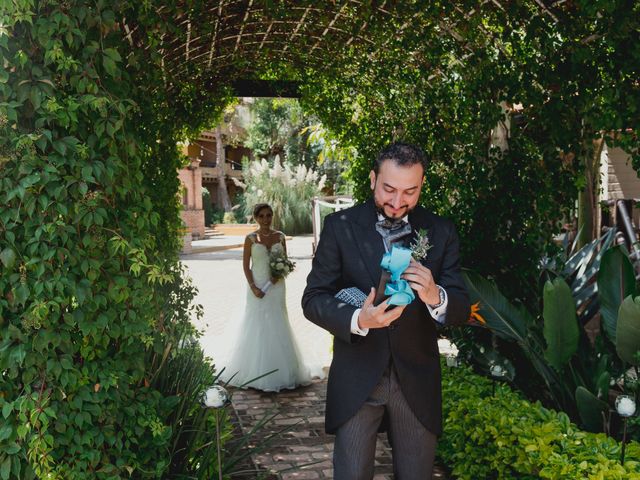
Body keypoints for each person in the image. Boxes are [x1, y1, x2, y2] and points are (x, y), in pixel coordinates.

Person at [302, 143, 470, 479]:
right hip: (357, 377)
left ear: (422, 186)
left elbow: (461, 307)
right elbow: (313, 298)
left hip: (416, 380)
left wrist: (436, 295)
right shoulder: (340, 226)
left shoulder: (441, 231)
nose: (397, 202)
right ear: (372, 179)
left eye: (410, 192)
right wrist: (358, 320)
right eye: (389, 189)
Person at [221, 203, 312, 392]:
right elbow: (246, 266)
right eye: (261, 216)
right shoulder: (250, 239)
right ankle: (256, 370)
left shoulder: (280, 236)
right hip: (257, 284)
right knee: (258, 322)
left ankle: (285, 369)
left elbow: (285, 261)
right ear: (255, 218)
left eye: (268, 215)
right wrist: (253, 287)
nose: (265, 219)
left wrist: (279, 274)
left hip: (276, 286)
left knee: (278, 319)